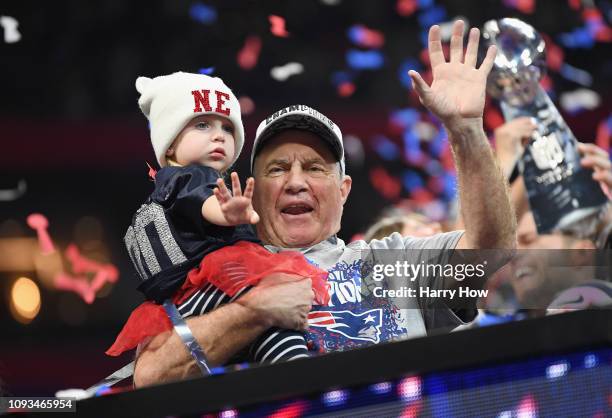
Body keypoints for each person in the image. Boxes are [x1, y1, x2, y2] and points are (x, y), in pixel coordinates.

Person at [133, 20, 516, 387]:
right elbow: (151, 374)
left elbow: (491, 249)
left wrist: (465, 130)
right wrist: (253, 310)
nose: (296, 182)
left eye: (315, 168)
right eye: (278, 169)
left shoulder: (394, 264)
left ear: (343, 190)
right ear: (252, 189)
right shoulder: (221, 274)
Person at [106, 72, 329, 365]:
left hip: (184, 306)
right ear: (169, 144)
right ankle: (299, 374)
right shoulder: (189, 176)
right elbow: (203, 202)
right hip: (209, 290)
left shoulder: (167, 188)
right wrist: (224, 212)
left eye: (227, 127)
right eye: (202, 124)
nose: (218, 135)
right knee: (277, 305)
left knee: (267, 328)